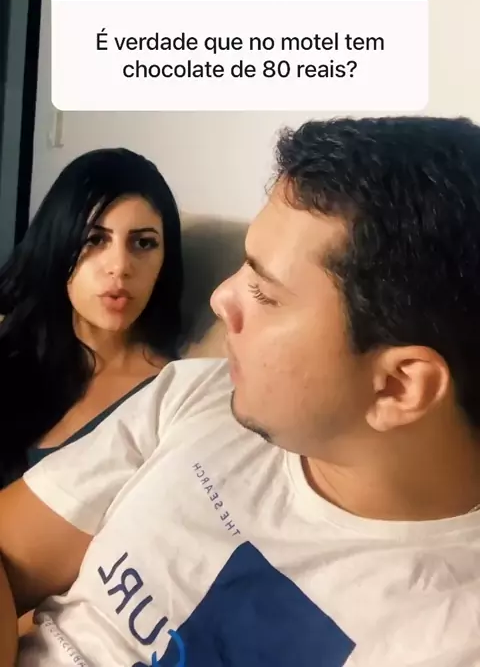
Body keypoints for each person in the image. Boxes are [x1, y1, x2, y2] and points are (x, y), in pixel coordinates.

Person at [1, 115, 480, 667]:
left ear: (398, 386)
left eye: (265, 292)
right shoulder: (196, 395)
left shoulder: (449, 634)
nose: (219, 299)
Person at [0, 148, 183, 487]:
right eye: (95, 239)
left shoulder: (169, 396)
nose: (120, 267)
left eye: (144, 243)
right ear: (58, 243)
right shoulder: (15, 346)